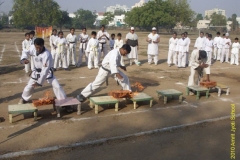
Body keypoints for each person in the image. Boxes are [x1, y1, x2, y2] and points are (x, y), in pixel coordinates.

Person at [18, 38, 66, 104]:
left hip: (47, 72)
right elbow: (25, 51)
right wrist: (24, 59)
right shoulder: (32, 47)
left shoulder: (47, 54)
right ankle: (24, 98)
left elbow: (45, 71)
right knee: (29, 87)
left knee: (57, 86)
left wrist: (39, 82)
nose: (37, 49)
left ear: (42, 45)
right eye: (36, 47)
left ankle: (63, 101)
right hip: (36, 72)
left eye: (39, 47)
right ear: (34, 45)